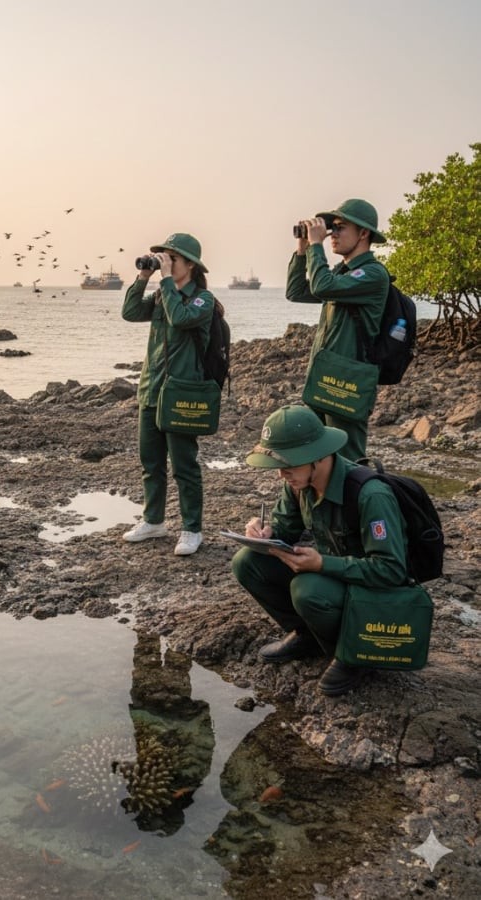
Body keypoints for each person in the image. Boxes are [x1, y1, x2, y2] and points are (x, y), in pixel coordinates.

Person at [230, 404, 409, 696]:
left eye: (289, 464)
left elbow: (391, 571)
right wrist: (266, 533)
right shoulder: (300, 483)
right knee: (247, 562)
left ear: (319, 456)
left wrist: (322, 564)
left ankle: (354, 654)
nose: (281, 475)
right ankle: (308, 635)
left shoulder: (371, 495)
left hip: (374, 594)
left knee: (307, 588)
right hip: (337, 580)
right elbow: (286, 527)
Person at [121, 233, 215, 555]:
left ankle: (192, 529)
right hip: (151, 389)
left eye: (171, 258)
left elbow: (181, 318)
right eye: (163, 257)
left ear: (190, 264)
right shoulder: (163, 294)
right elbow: (130, 313)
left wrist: (164, 283)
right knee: (151, 462)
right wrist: (143, 277)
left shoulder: (203, 299)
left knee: (184, 465)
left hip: (182, 394)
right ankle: (154, 520)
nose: (166, 262)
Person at [287, 198, 390, 461]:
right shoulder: (342, 274)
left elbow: (321, 286)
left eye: (341, 227)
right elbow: (297, 291)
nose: (333, 233)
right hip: (325, 376)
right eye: (331, 227)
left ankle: (362, 502)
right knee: (318, 458)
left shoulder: (373, 274)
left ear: (364, 233)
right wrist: (302, 250)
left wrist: (315, 244)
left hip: (348, 381)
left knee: (348, 459)